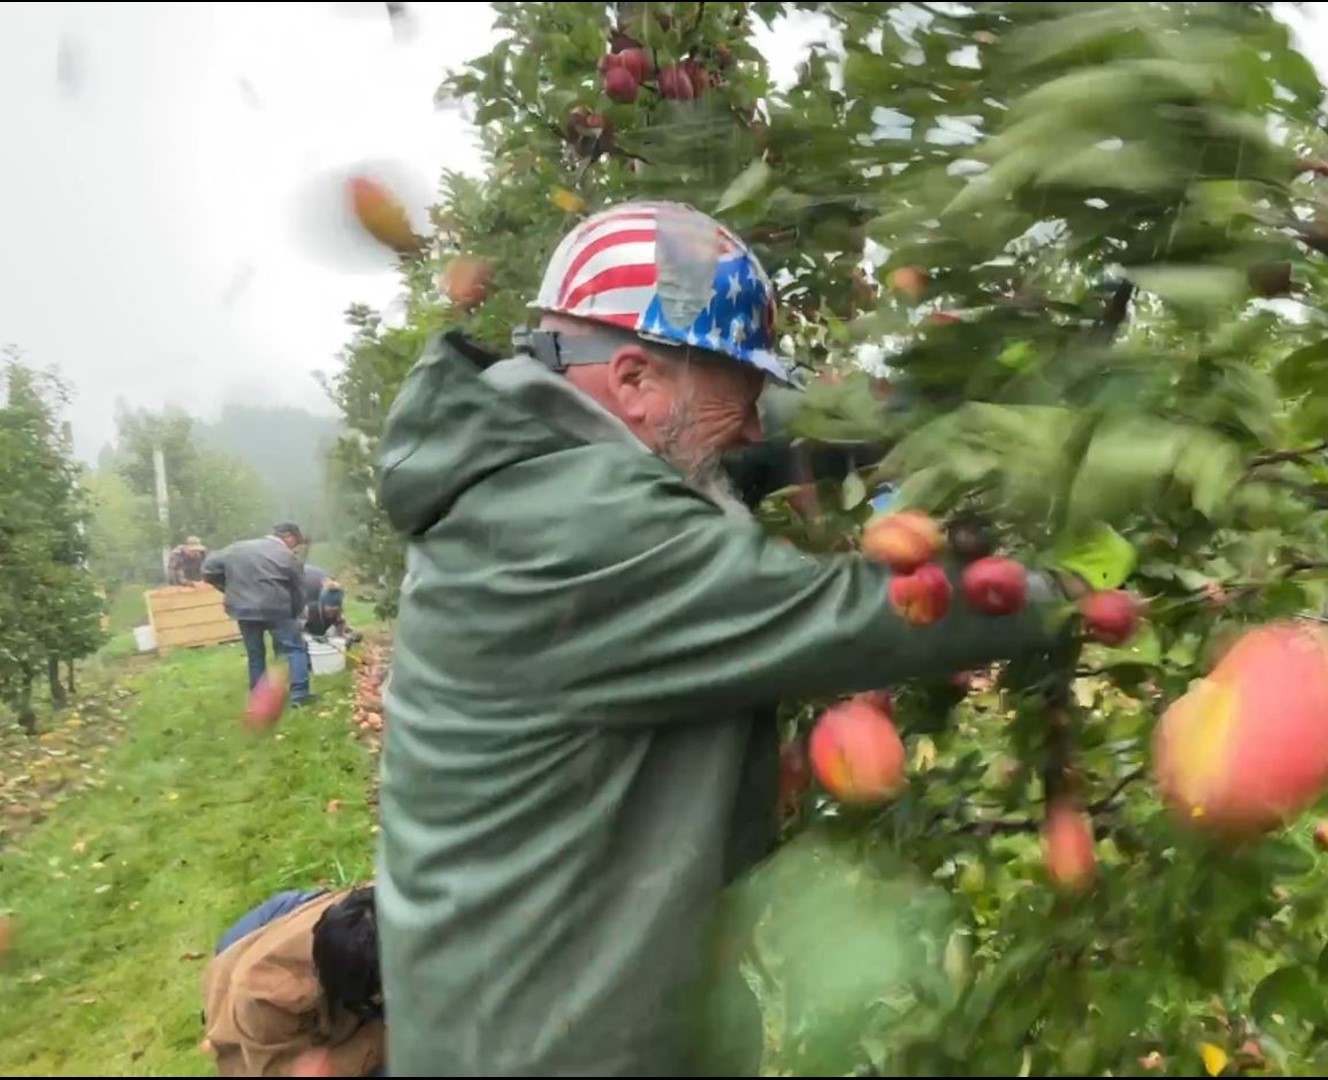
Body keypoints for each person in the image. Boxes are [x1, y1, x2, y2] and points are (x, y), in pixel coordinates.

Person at [373, 200, 1084, 1076]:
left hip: (522, 1009)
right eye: (737, 397)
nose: (753, 425)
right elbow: (849, 615)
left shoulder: (524, 473)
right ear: (633, 381)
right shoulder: (584, 534)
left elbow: (753, 446)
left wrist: (930, 409)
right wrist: (1071, 593)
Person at [202, 885, 385, 1077]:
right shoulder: (267, 995)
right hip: (240, 979)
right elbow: (293, 1072)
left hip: (293, 915)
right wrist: (385, 1036)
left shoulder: (387, 908)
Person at [205, 524, 312, 708]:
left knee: (255, 655)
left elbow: (208, 570)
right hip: (277, 607)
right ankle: (299, 696)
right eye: (295, 543)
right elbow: (298, 588)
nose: (294, 548)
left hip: (243, 609)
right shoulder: (286, 555)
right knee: (296, 649)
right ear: (289, 537)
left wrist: (228, 588)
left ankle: (258, 699)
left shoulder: (237, 548)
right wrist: (297, 614)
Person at [300, 565, 358, 645]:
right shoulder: (308, 610)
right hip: (307, 640)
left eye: (335, 608)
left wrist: (349, 637)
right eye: (330, 608)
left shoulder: (338, 614)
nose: (332, 611)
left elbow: (341, 633)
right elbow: (296, 632)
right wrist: (311, 637)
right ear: (322, 604)